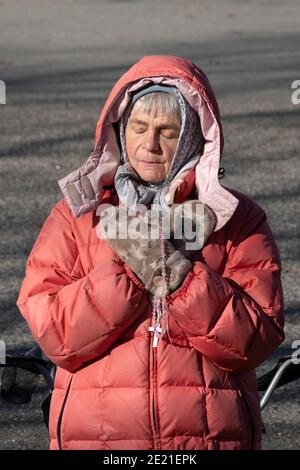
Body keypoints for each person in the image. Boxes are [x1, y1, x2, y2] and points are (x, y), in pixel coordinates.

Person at [16, 55, 285, 450]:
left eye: (167, 130)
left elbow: (254, 341)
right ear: (121, 131)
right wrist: (128, 269)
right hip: (97, 441)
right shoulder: (77, 217)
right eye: (138, 128)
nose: (150, 144)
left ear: (193, 137)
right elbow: (55, 335)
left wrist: (179, 276)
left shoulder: (237, 219)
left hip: (209, 441)